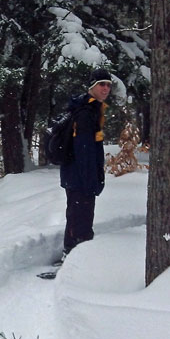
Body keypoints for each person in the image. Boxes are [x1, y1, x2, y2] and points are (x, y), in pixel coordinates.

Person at [59, 68, 108, 259]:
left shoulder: (89, 109)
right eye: (101, 84)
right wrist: (91, 180)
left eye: (108, 85)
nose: (106, 89)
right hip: (78, 176)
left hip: (78, 176)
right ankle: (74, 259)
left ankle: (71, 255)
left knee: (77, 216)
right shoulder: (85, 113)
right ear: (92, 86)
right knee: (80, 219)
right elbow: (84, 150)